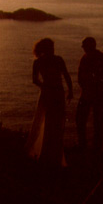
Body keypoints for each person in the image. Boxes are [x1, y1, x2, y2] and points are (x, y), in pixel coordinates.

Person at [24, 38, 73, 166]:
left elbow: (36, 80)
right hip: (54, 92)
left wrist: (45, 86)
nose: (53, 49)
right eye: (51, 47)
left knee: (54, 123)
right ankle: (49, 156)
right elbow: (66, 76)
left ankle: (51, 155)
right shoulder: (54, 60)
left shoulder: (42, 62)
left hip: (52, 92)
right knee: (51, 123)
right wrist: (69, 90)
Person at [75, 37, 103, 152]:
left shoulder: (89, 58)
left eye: (84, 46)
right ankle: (93, 147)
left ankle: (86, 146)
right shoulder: (100, 57)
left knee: (84, 120)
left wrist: (102, 82)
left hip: (91, 94)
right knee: (95, 122)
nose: (83, 48)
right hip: (94, 93)